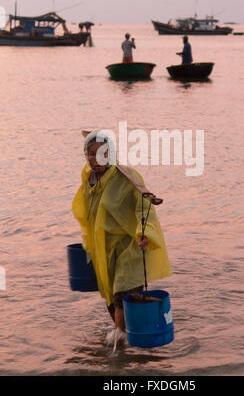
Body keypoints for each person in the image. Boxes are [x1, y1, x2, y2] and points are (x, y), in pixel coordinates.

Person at [72, 130, 172, 346]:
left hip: (130, 245)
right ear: (85, 155)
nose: (97, 159)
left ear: (111, 153)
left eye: (103, 153)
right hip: (105, 247)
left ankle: (119, 348)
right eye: (92, 154)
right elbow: (89, 211)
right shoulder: (89, 177)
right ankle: (126, 338)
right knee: (110, 297)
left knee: (122, 293)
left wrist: (144, 233)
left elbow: (144, 206)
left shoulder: (126, 176)